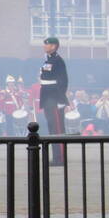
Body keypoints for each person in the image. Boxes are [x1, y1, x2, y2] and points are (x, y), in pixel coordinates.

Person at [37, 36, 69, 165]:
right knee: (52, 129)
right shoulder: (48, 60)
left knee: (57, 129)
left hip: (54, 99)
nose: (44, 46)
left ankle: (60, 158)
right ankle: (56, 157)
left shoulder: (58, 61)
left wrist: (60, 98)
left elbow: (63, 81)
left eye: (47, 44)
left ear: (54, 46)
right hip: (47, 98)